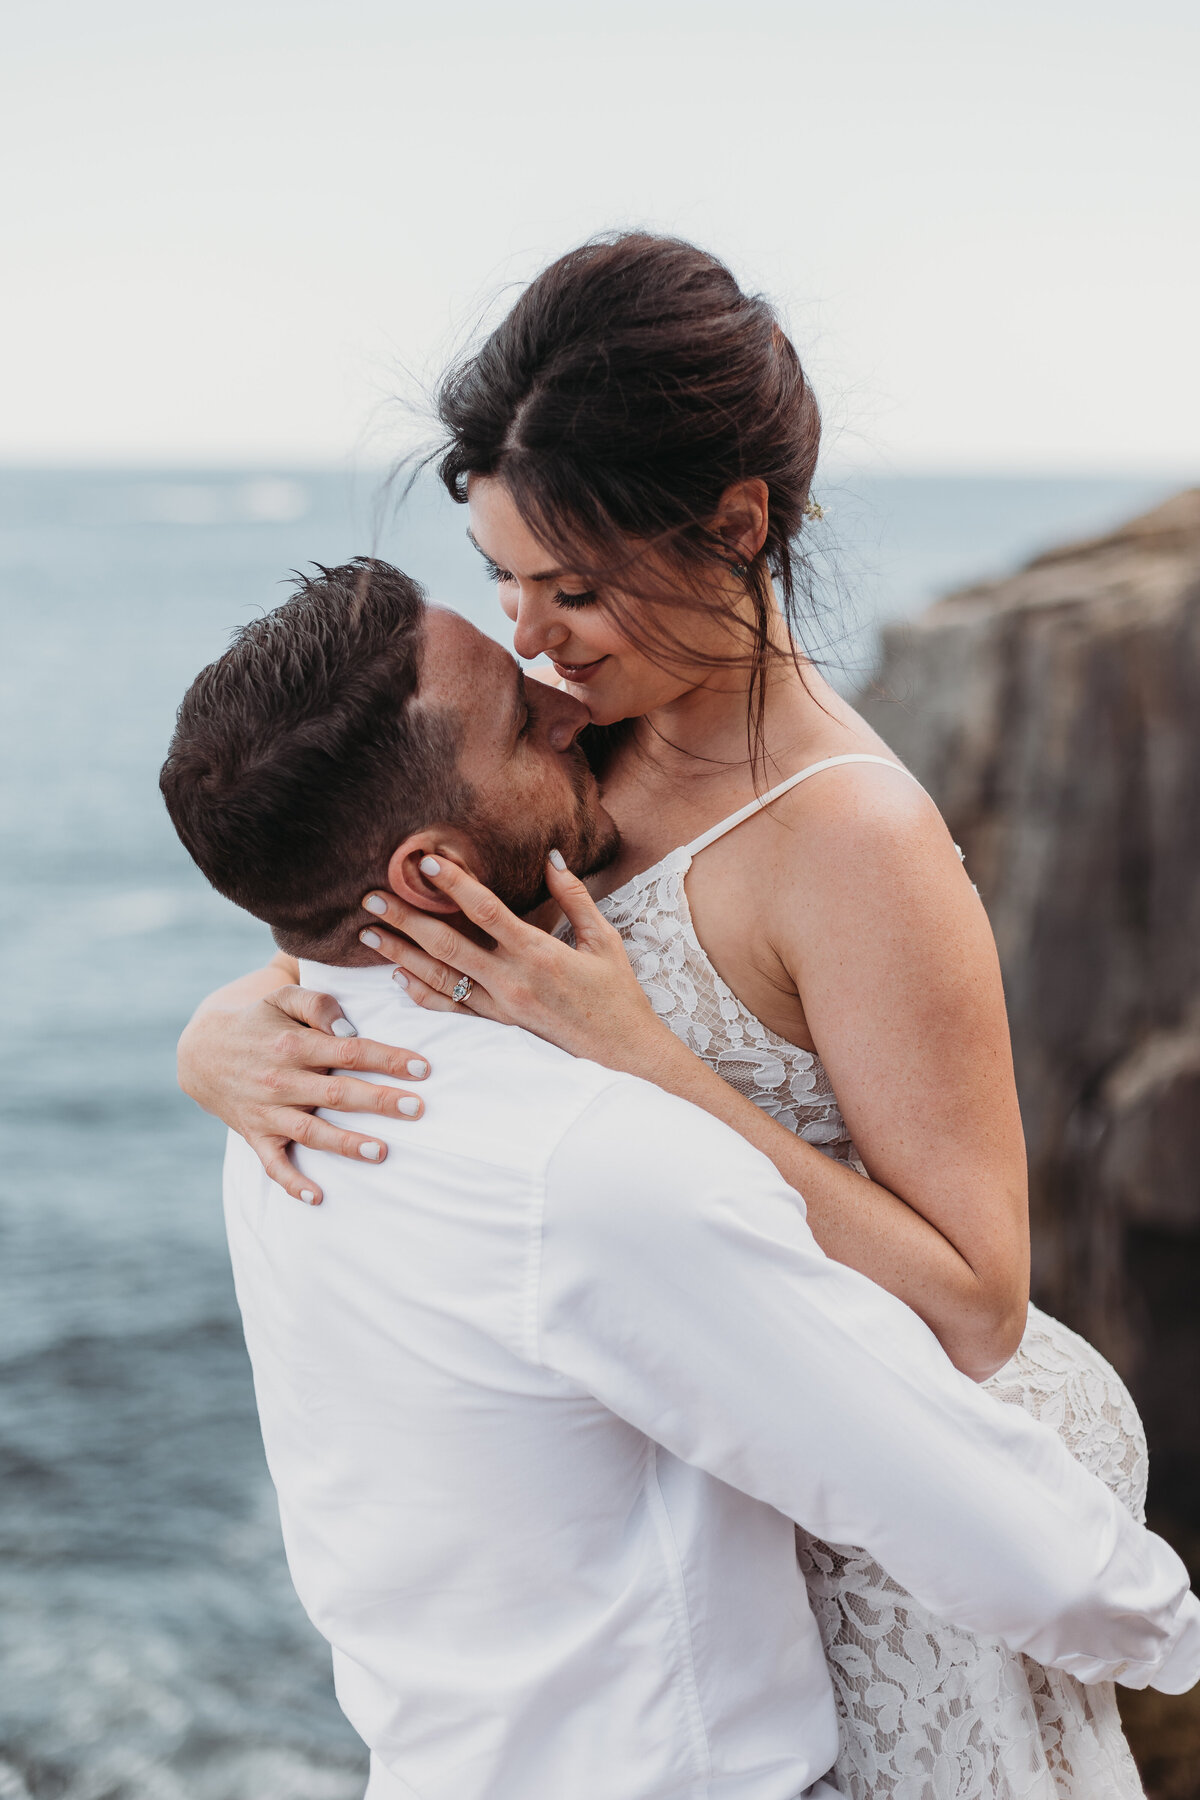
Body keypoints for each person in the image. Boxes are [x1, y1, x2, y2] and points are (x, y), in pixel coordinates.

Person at [175, 236, 1152, 1793]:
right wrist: (227, 1029)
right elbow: (375, 894)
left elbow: (976, 1301)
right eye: (502, 577)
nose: (536, 637)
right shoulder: (565, 754)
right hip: (686, 1579)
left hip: (892, 1560)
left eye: (576, 584)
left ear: (738, 525)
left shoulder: (852, 842)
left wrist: (637, 1057)